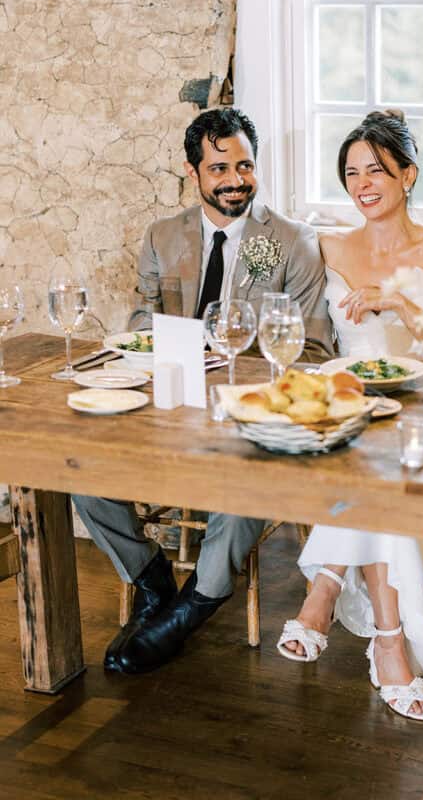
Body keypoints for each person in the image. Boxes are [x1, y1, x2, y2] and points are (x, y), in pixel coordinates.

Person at [73, 106, 334, 675]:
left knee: (242, 481)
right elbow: (143, 322)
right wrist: (166, 347)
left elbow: (314, 349)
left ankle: (196, 603)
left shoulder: (291, 241)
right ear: (195, 173)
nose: (235, 179)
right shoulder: (162, 236)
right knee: (78, 468)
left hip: (248, 406)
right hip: (168, 401)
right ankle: (151, 579)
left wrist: (239, 365)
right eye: (220, 168)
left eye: (245, 165)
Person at [277, 110, 423, 722]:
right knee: (366, 459)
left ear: (408, 175)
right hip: (348, 405)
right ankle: (388, 646)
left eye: (377, 171)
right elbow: (293, 317)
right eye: (352, 172)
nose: (363, 184)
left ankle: (325, 588)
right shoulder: (328, 244)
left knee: (380, 471)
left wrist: (403, 303)